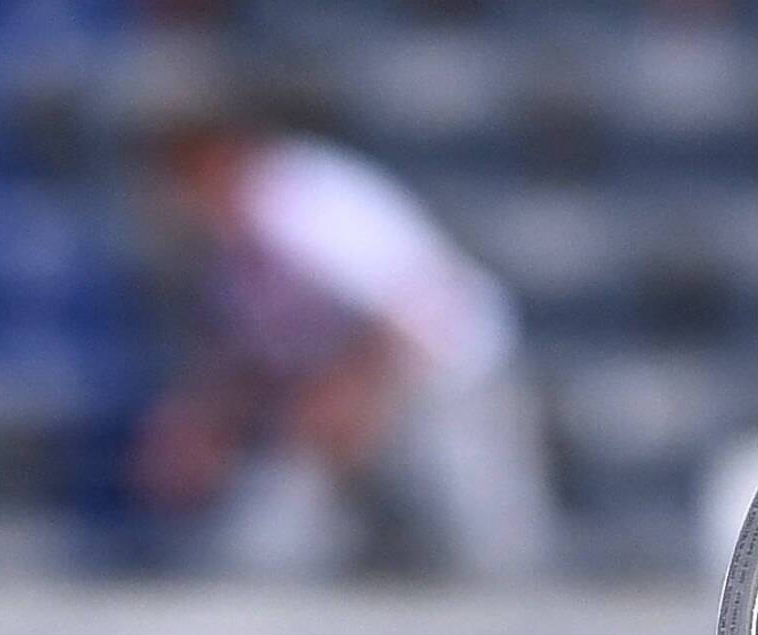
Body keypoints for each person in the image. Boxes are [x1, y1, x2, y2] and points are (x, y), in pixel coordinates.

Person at [138, 116, 554, 581]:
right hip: (334, 386)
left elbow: (400, 311)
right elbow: (251, 347)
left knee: (480, 540)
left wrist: (345, 396)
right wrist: (204, 421)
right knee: (283, 530)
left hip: (446, 374)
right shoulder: (223, 242)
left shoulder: (302, 203)